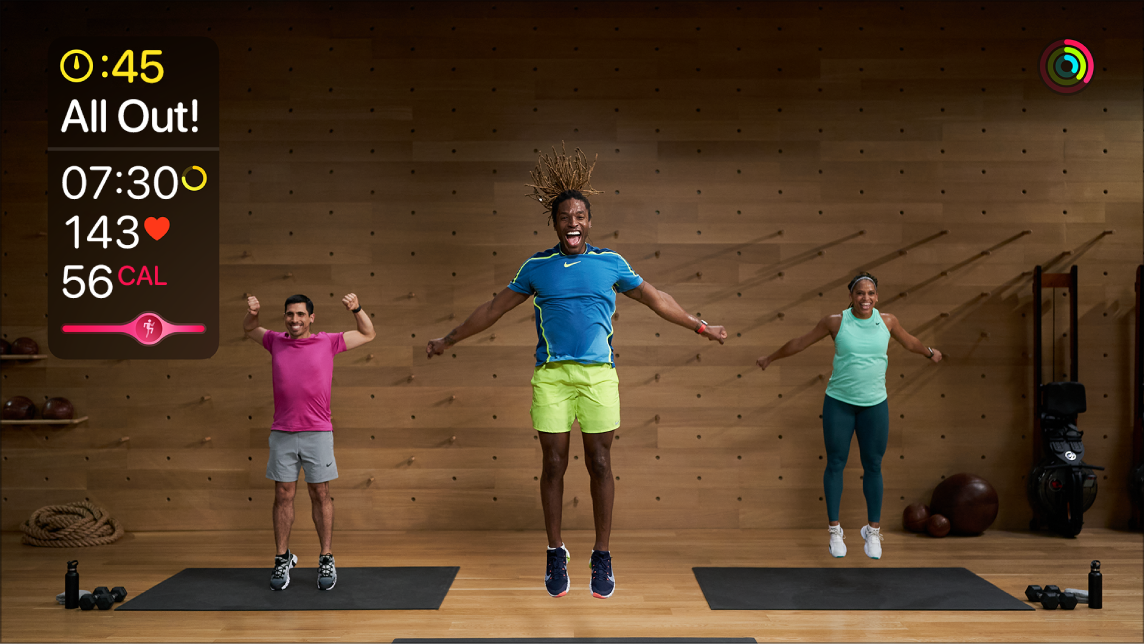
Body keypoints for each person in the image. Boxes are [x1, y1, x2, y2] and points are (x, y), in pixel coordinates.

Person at [426, 184, 727, 599]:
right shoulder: (536, 267)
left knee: (600, 462)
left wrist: (700, 325)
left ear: (589, 222)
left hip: (599, 376)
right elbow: (493, 309)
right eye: (565, 217)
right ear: (555, 223)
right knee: (554, 463)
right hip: (551, 376)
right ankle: (555, 551)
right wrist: (449, 339)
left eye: (580, 216)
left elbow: (657, 299)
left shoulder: (611, 263)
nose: (573, 223)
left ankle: (601, 555)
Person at [756, 272, 942, 559]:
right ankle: (834, 531)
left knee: (874, 465)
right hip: (839, 404)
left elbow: (910, 342)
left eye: (870, 293)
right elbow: (800, 342)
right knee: (836, 463)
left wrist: (930, 352)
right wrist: (770, 357)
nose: (865, 298)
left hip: (875, 405)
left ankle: (872, 531)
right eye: (859, 293)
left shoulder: (888, 321)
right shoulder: (836, 322)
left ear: (877, 296)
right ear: (851, 296)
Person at [243, 292, 375, 591]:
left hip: (318, 432)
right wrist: (253, 313)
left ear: (311, 318)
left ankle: (326, 557)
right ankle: (282, 558)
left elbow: (368, 333)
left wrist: (357, 308)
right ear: (285, 317)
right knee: (283, 495)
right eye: (290, 314)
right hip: (283, 432)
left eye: (301, 314)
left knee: (320, 493)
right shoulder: (275, 340)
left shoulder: (327, 341)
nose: (295, 319)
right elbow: (250, 329)